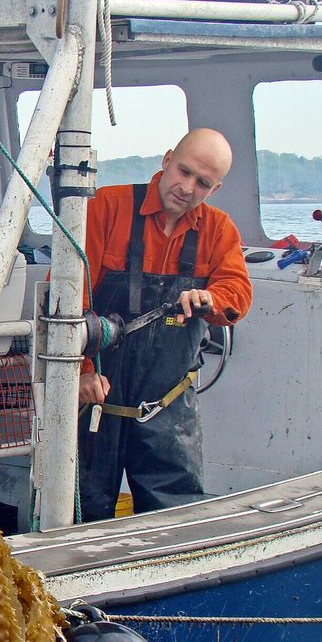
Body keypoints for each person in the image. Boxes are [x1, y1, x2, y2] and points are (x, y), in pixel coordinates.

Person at [78, 128, 252, 522]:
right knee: (81, 508)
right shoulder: (106, 206)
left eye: (203, 183)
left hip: (168, 408)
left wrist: (212, 300)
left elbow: (237, 290)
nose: (187, 187)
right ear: (167, 158)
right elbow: (70, 297)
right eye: (184, 171)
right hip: (95, 401)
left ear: (216, 187)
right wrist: (82, 373)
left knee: (176, 518)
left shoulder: (219, 230)